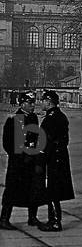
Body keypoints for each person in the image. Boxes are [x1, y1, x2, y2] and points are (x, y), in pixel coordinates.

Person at [1, 92, 46, 230]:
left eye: (33, 103)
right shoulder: (14, 118)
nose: (33, 105)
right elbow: (8, 143)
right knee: (12, 189)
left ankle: (32, 218)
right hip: (18, 162)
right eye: (30, 103)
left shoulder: (32, 117)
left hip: (31, 159)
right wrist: (18, 157)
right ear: (22, 104)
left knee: (33, 188)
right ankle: (4, 218)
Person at [38, 90, 74, 232]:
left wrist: (40, 160)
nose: (41, 103)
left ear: (48, 101)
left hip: (53, 158)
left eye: (43, 100)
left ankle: (54, 222)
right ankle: (54, 220)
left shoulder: (51, 118)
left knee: (52, 191)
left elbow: (45, 142)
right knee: (54, 190)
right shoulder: (60, 116)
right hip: (60, 157)